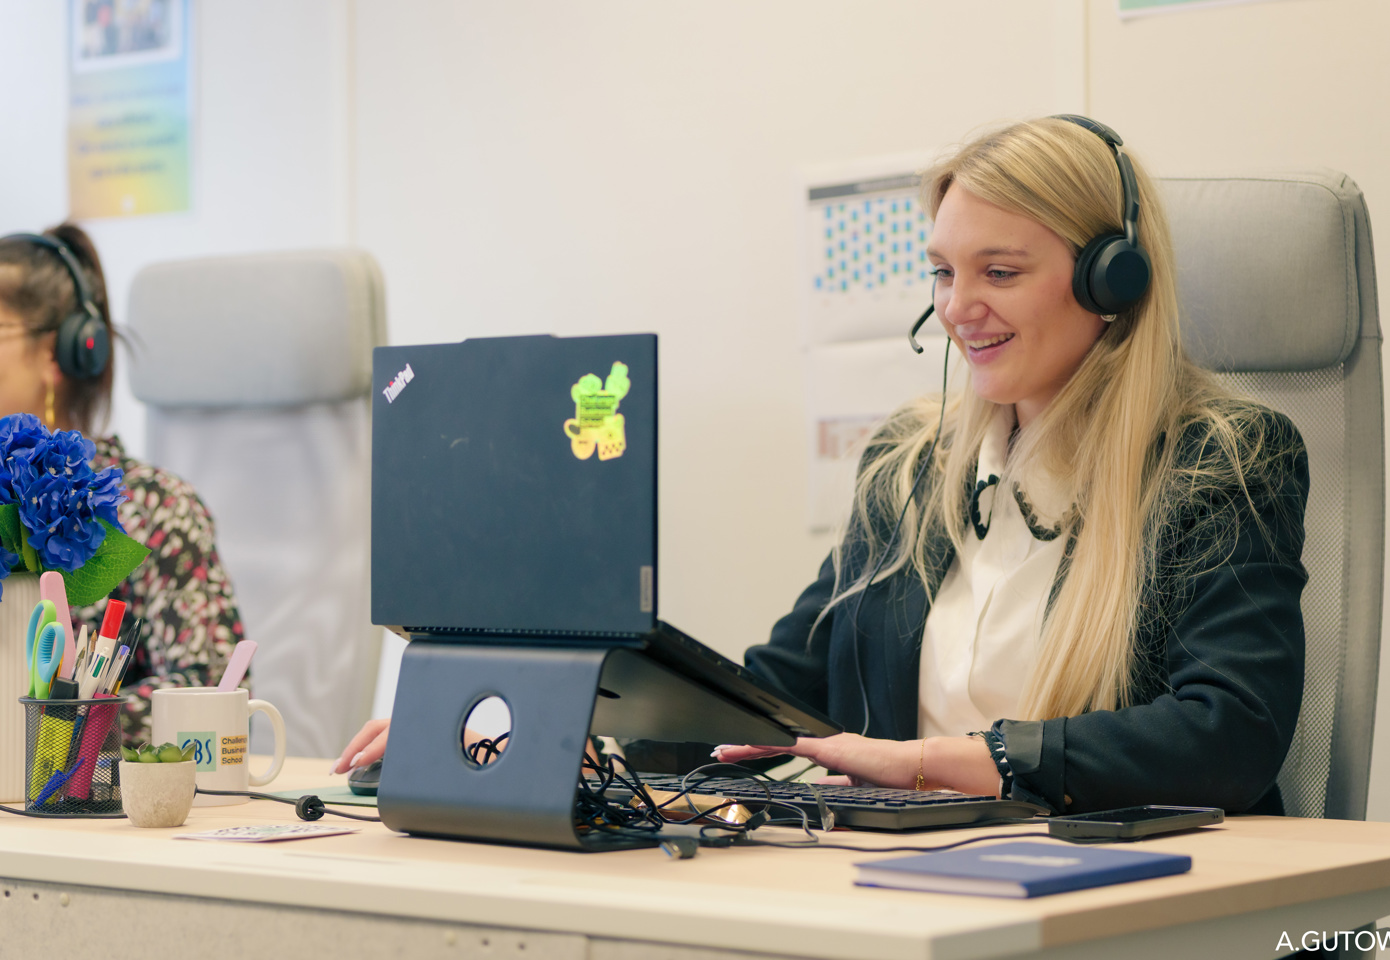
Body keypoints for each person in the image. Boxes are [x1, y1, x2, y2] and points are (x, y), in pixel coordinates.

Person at [336, 116, 1307, 818]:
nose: (958, 306)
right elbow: (776, 698)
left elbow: (1229, 734)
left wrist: (942, 762)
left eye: (1000, 272)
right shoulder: (909, 467)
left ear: (1112, 282)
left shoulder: (1223, 462)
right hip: (917, 879)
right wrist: (558, 737)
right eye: (943, 272)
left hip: (1121, 888)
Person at [0, 224, 246, 741]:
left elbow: (209, 687)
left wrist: (52, 726)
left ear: (58, 354)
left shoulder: (156, 510)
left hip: (92, 790)